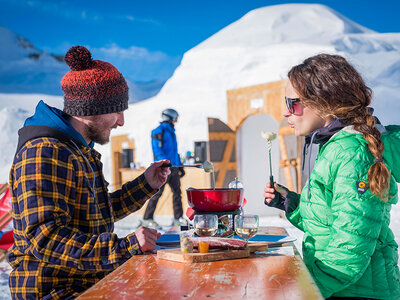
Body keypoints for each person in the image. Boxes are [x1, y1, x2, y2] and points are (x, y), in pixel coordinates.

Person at [8, 46, 170, 299]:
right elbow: (44, 238)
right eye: (117, 110)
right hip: (54, 290)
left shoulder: (78, 151)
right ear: (91, 108)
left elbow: (96, 213)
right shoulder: (45, 152)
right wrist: (125, 247)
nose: (121, 121)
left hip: (87, 282)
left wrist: (146, 185)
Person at [264, 54, 400, 299]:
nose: (286, 112)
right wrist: (291, 204)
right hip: (341, 288)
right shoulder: (334, 147)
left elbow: (350, 249)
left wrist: (306, 290)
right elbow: (332, 226)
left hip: (357, 292)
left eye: (292, 103)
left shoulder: (351, 153)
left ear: (322, 101)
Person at [141, 108, 186, 228]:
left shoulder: (172, 132)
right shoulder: (158, 131)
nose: (176, 121)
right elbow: (157, 150)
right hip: (163, 168)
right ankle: (147, 218)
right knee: (157, 193)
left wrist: (179, 165)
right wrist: (164, 164)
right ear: (169, 118)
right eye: (175, 118)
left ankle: (178, 218)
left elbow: (174, 152)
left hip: (174, 168)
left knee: (177, 193)